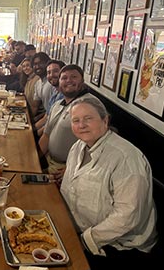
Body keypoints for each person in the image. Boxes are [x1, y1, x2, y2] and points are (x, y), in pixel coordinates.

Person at [61, 97, 157, 269]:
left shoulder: (126, 158)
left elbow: (127, 217)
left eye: (88, 118)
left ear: (105, 120)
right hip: (78, 231)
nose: (81, 125)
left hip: (118, 247)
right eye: (76, 120)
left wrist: (83, 241)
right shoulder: (78, 147)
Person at [38, 64, 97, 175]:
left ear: (82, 81)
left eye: (74, 77)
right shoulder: (57, 105)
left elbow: (96, 144)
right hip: (49, 162)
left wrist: (72, 169)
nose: (69, 80)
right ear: (59, 82)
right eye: (64, 78)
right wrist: (34, 159)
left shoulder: (89, 104)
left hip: (68, 170)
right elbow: (46, 136)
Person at [35, 59, 65, 136]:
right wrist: (31, 129)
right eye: (48, 72)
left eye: (55, 71)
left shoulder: (65, 96)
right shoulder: (55, 93)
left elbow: (51, 125)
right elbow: (46, 118)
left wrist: (34, 135)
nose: (51, 75)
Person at [32, 52, 52, 120]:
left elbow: (51, 112)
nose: (37, 66)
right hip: (45, 118)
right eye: (35, 64)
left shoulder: (52, 84)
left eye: (40, 63)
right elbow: (35, 106)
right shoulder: (38, 83)